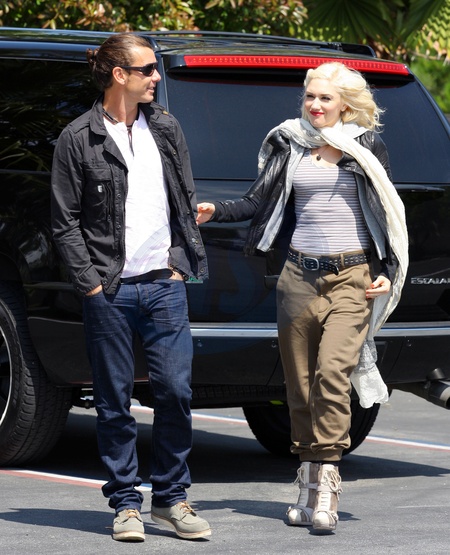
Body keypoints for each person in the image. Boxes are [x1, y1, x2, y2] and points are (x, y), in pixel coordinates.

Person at [197, 62, 408, 534]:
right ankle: (307, 487)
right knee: (299, 386)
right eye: (309, 96)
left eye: (324, 98)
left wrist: (389, 271)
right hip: (297, 277)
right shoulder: (289, 142)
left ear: (345, 104)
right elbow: (256, 200)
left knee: (333, 375)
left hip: (351, 277)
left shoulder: (364, 146)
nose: (314, 104)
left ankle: (327, 487)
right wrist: (217, 210)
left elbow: (389, 212)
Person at [51, 33, 210, 543]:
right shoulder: (79, 138)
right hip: (110, 290)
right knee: (114, 401)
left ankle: (171, 498)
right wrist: (91, 286)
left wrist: (179, 265)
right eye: (148, 69)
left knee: (176, 392)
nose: (156, 77)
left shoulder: (165, 127)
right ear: (119, 75)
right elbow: (64, 223)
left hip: (165, 285)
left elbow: (183, 199)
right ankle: (125, 503)